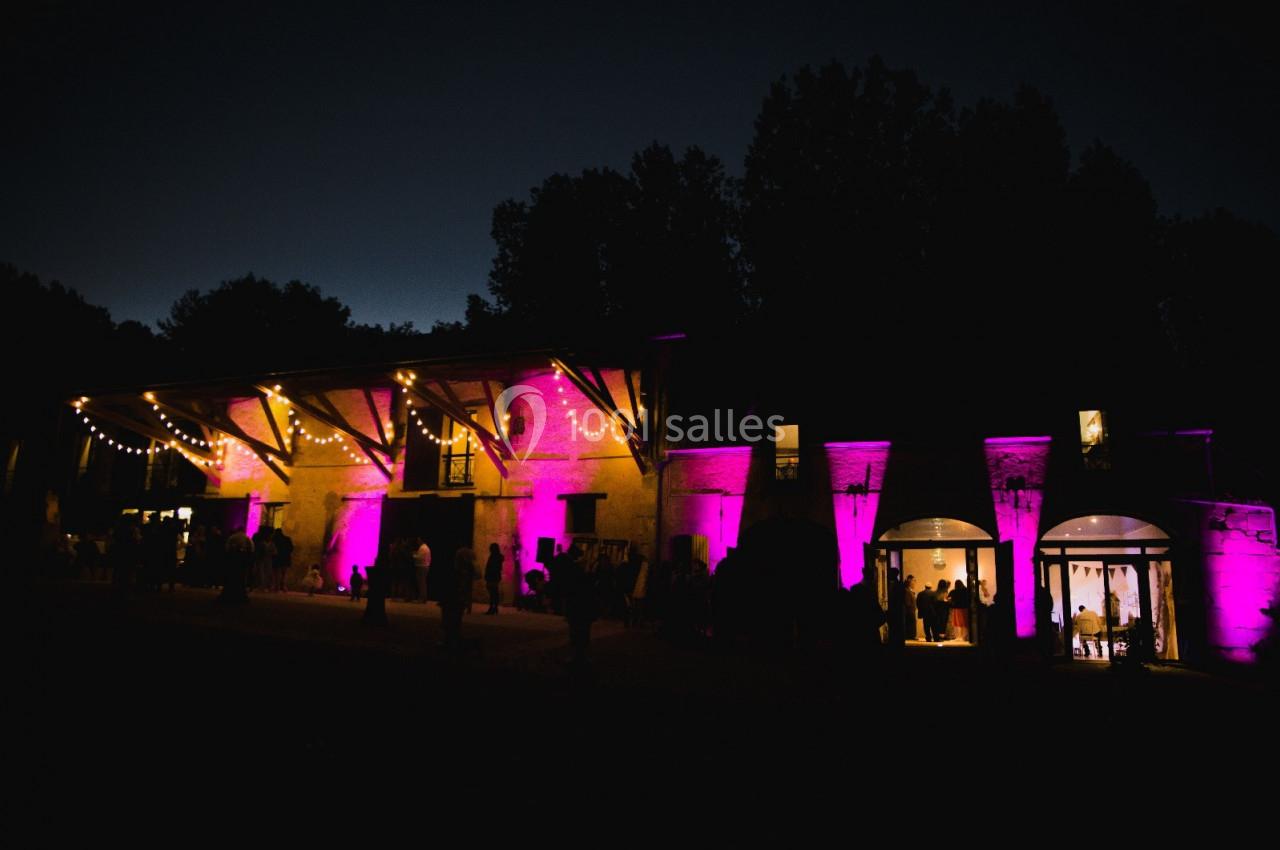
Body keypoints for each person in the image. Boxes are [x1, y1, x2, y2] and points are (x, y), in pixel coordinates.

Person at [272, 527, 293, 593]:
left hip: (277, 558)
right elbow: (291, 548)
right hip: (286, 558)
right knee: (284, 574)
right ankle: (283, 587)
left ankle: (276, 587)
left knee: (276, 573)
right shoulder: (287, 539)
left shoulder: (274, 539)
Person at [484, 543, 503, 614]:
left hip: (492, 576)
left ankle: (492, 608)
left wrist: (487, 575)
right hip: (496, 576)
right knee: (494, 592)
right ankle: (495, 607)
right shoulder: (498, 557)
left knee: (492, 593)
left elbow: (490, 567)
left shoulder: (493, 557)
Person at [412, 537, 431, 603]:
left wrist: (413, 555)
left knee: (421, 583)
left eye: (418, 540)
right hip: (425, 566)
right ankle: (423, 598)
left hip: (421, 567)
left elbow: (420, 557)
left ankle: (422, 598)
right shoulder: (426, 547)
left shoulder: (423, 548)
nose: (417, 542)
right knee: (423, 583)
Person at [903, 575, 918, 640]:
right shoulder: (907, 591)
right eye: (914, 581)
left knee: (912, 623)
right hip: (909, 611)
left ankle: (912, 635)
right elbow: (907, 602)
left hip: (911, 610)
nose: (915, 583)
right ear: (910, 581)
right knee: (910, 624)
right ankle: (911, 636)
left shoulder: (910, 591)